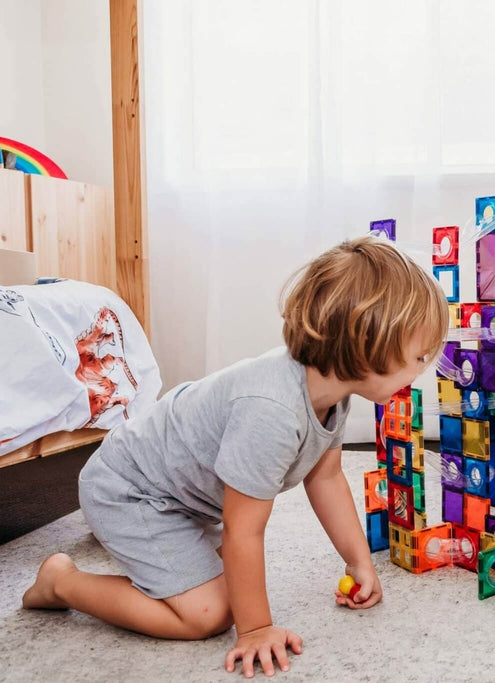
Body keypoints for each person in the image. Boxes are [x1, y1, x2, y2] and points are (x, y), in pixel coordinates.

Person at [23, 236, 449, 677]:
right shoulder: (273, 411)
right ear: (365, 347)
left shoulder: (332, 391)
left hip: (181, 497)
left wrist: (358, 560)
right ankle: (61, 582)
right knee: (209, 612)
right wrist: (255, 628)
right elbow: (244, 530)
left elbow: (326, 479)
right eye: (418, 357)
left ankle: (130, 543)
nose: (422, 370)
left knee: (225, 573)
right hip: (130, 491)